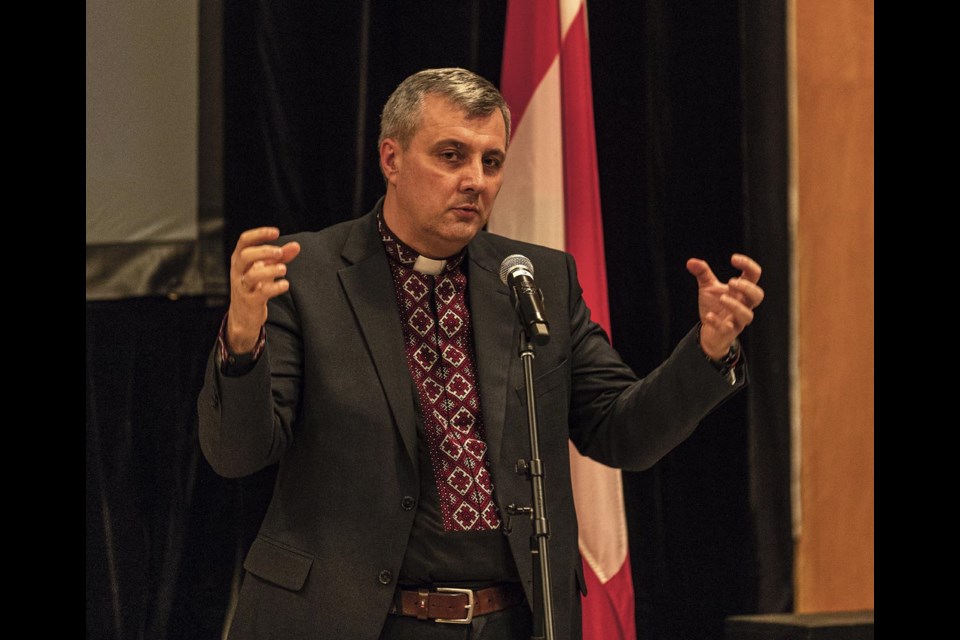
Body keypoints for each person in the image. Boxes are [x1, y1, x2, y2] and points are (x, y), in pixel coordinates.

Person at [197, 67, 764, 640]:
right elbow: (236, 453)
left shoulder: (536, 279)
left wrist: (708, 351)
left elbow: (622, 431)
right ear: (391, 160)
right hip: (350, 620)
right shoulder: (309, 275)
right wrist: (242, 343)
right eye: (451, 156)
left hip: (511, 621)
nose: (476, 181)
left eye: (491, 162)